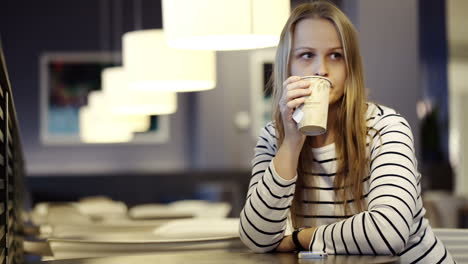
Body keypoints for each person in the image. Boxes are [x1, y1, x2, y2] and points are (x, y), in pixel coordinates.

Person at [238, 1, 454, 263]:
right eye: (306, 55)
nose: (321, 70)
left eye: (336, 56)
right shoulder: (274, 138)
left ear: (350, 66)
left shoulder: (385, 127)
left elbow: (388, 232)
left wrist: (299, 237)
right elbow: (257, 238)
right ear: (288, 65)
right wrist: (291, 143)